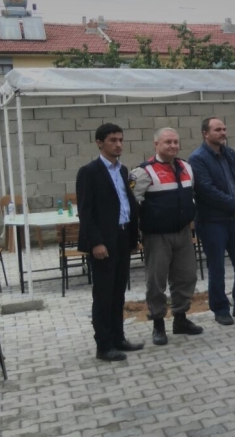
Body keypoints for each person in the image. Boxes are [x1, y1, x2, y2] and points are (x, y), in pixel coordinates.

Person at [129, 127, 203, 347]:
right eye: (167, 142)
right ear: (156, 145)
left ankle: (180, 319)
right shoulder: (143, 172)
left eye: (175, 142)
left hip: (183, 233)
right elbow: (131, 204)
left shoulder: (186, 167)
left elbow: (192, 196)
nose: (172, 146)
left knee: (186, 277)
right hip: (157, 236)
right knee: (156, 281)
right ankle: (158, 323)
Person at [76, 123, 143, 362]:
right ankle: (103, 345)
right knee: (104, 294)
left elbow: (127, 204)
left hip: (123, 238)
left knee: (118, 292)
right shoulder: (89, 172)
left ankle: (118, 337)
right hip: (103, 241)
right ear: (99, 143)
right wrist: (95, 242)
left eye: (121, 140)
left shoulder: (123, 170)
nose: (118, 144)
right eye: (113, 140)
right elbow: (85, 211)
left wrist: (134, 238)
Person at [189, 117, 235, 325]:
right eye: (217, 129)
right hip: (212, 221)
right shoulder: (198, 158)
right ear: (205, 133)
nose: (222, 133)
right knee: (217, 267)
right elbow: (206, 189)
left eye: (224, 129)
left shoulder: (230, 153)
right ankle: (220, 309)